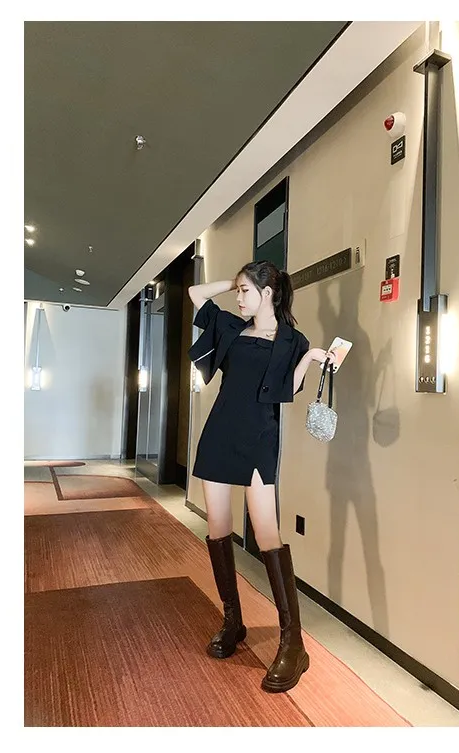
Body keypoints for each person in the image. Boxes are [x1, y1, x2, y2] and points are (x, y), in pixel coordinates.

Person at [187, 260, 333, 693]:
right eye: (237, 291)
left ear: (267, 293)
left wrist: (309, 358)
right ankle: (233, 622)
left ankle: (293, 642)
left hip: (259, 438)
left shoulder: (292, 340)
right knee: (218, 530)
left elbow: (288, 389)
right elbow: (196, 295)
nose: (238, 298)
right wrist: (235, 280)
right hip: (219, 434)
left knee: (268, 533)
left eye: (245, 291)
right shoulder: (231, 327)